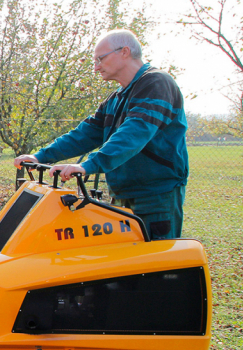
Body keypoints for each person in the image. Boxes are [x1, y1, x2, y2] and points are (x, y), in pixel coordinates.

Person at [14, 30, 188, 240]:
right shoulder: (116, 98)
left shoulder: (156, 83)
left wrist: (89, 165)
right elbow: (85, 134)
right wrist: (40, 157)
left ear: (125, 52)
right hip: (122, 193)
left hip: (155, 196)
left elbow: (134, 133)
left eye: (100, 58)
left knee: (156, 265)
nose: (96, 66)